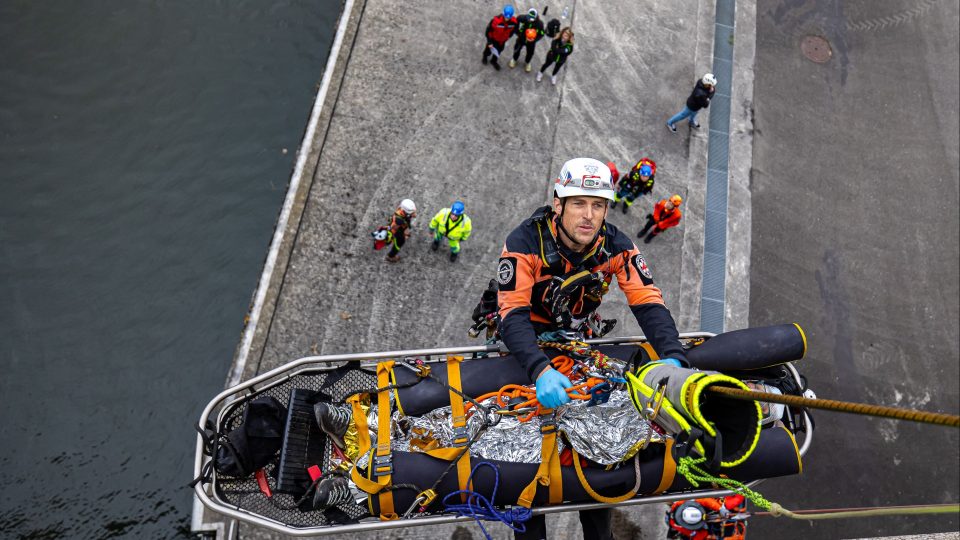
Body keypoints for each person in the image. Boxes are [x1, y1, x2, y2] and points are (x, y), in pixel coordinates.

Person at [497, 157, 688, 540]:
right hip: (526, 343)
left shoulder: (616, 245)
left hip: (575, 339)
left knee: (598, 441)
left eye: (598, 205)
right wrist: (538, 369)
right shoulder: (524, 242)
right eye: (579, 203)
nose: (589, 215)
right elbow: (512, 314)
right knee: (524, 450)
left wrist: (673, 357)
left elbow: (647, 301)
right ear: (559, 204)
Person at [483, 5, 519, 71]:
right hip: (493, 40)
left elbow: (514, 30)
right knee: (488, 51)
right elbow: (488, 31)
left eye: (508, 18)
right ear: (503, 14)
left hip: (502, 41)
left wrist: (508, 36)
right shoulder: (495, 21)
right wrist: (489, 42)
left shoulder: (514, 22)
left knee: (498, 52)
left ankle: (493, 61)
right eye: (505, 17)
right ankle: (485, 57)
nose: (507, 19)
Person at [509, 8, 545, 72]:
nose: (530, 20)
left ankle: (527, 62)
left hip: (531, 42)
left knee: (530, 53)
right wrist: (518, 33)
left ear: (536, 17)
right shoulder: (522, 18)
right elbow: (516, 22)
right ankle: (514, 59)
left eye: (532, 19)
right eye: (529, 18)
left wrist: (534, 39)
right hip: (521, 39)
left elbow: (541, 34)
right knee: (516, 49)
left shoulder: (540, 24)